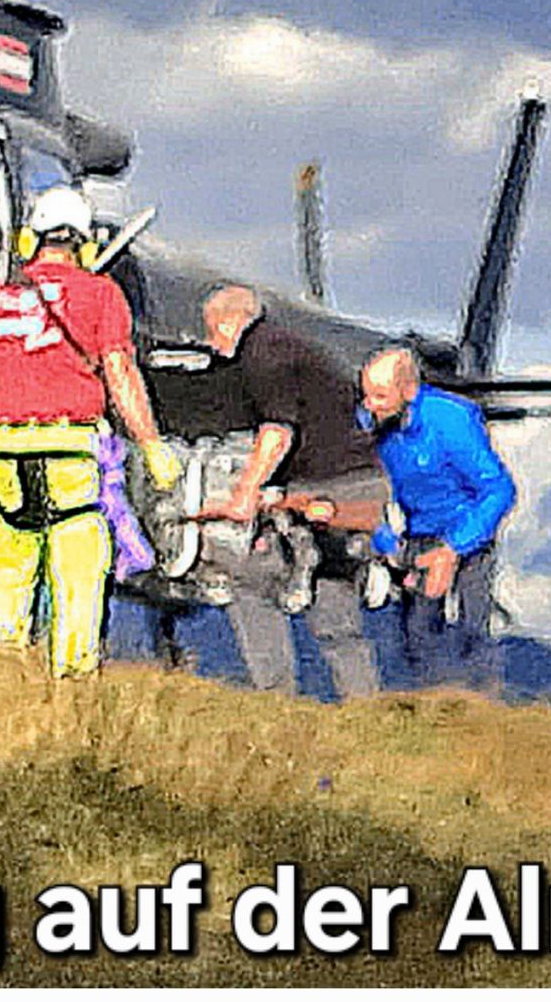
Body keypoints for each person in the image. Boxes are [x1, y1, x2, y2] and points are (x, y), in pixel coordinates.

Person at [0, 189, 181, 679]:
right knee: (79, 573)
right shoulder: (101, 294)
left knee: (6, 572)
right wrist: (150, 443)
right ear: (83, 242)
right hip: (70, 455)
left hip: (7, 457)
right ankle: (74, 687)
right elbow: (120, 372)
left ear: (30, 239)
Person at [197, 286, 384, 701]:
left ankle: (274, 697)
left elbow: (277, 431)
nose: (213, 342)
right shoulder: (294, 346)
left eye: (213, 331)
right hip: (361, 479)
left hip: (321, 488)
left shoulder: (263, 356)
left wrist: (245, 494)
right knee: (333, 602)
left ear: (229, 322)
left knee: (251, 580)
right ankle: (363, 705)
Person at [359, 345, 517, 681]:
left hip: (466, 534)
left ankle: (482, 707)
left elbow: (499, 489)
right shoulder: (370, 425)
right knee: (416, 634)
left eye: (380, 396)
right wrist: (389, 547)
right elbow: (364, 488)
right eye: (366, 396)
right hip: (417, 535)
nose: (370, 406)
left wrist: (454, 548)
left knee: (473, 628)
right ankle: (429, 704)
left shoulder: (451, 421)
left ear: (409, 391)